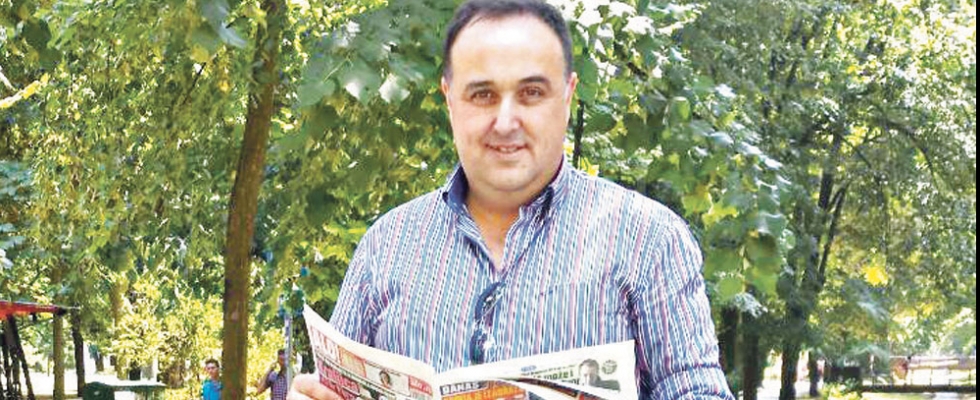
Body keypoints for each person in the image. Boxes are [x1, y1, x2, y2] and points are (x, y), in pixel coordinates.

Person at [288, 0, 733, 399]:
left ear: (567, 95)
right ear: (449, 99)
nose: (505, 122)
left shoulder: (648, 239)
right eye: (482, 95)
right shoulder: (386, 245)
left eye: (531, 93)